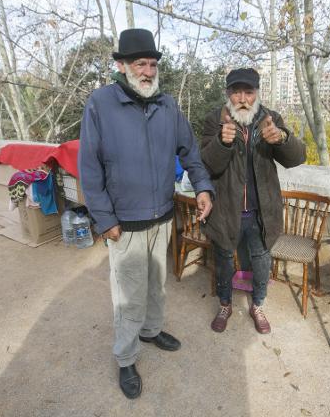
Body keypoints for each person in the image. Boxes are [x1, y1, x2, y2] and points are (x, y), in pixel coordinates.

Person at [78, 28, 214, 399]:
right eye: (141, 64)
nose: (148, 71)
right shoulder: (100, 104)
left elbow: (190, 153)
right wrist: (105, 220)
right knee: (128, 295)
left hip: (163, 217)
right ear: (122, 66)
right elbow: (88, 168)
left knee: (157, 285)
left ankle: (151, 331)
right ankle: (125, 358)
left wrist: (202, 187)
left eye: (153, 64)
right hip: (125, 225)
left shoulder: (167, 105)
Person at [200, 68, 306, 334]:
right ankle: (225, 305)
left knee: (261, 262)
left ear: (257, 94)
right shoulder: (214, 120)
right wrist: (221, 144)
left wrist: (282, 139)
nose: (243, 98)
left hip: (261, 212)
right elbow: (205, 165)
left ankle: (257, 305)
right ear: (228, 94)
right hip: (225, 210)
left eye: (249, 92)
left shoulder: (270, 119)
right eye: (237, 92)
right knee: (224, 261)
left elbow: (296, 159)